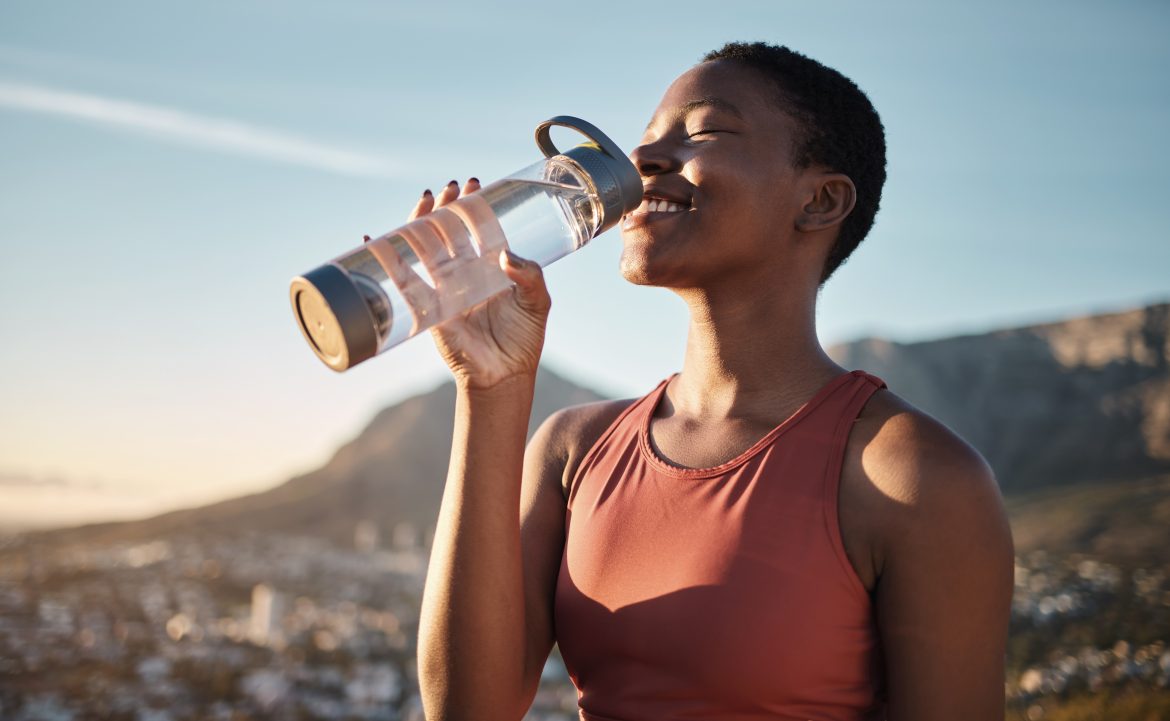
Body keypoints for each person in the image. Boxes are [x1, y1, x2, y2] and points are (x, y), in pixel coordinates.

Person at [412, 42, 1015, 721]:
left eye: (704, 131)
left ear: (819, 200)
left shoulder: (913, 477)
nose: (640, 164)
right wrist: (490, 388)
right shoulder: (574, 448)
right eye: (645, 142)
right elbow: (465, 710)